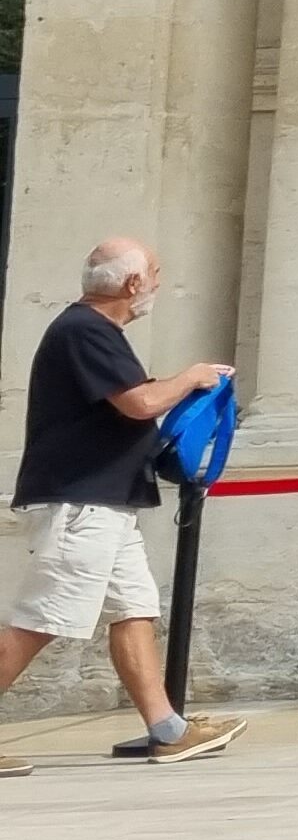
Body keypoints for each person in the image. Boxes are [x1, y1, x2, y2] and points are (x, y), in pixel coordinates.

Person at [0, 238, 242, 772]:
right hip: (82, 503)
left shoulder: (93, 332)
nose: (157, 282)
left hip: (106, 502)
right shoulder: (84, 330)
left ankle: (168, 729)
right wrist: (193, 377)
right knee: (40, 620)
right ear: (133, 284)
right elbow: (140, 403)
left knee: (134, 609)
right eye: (154, 272)